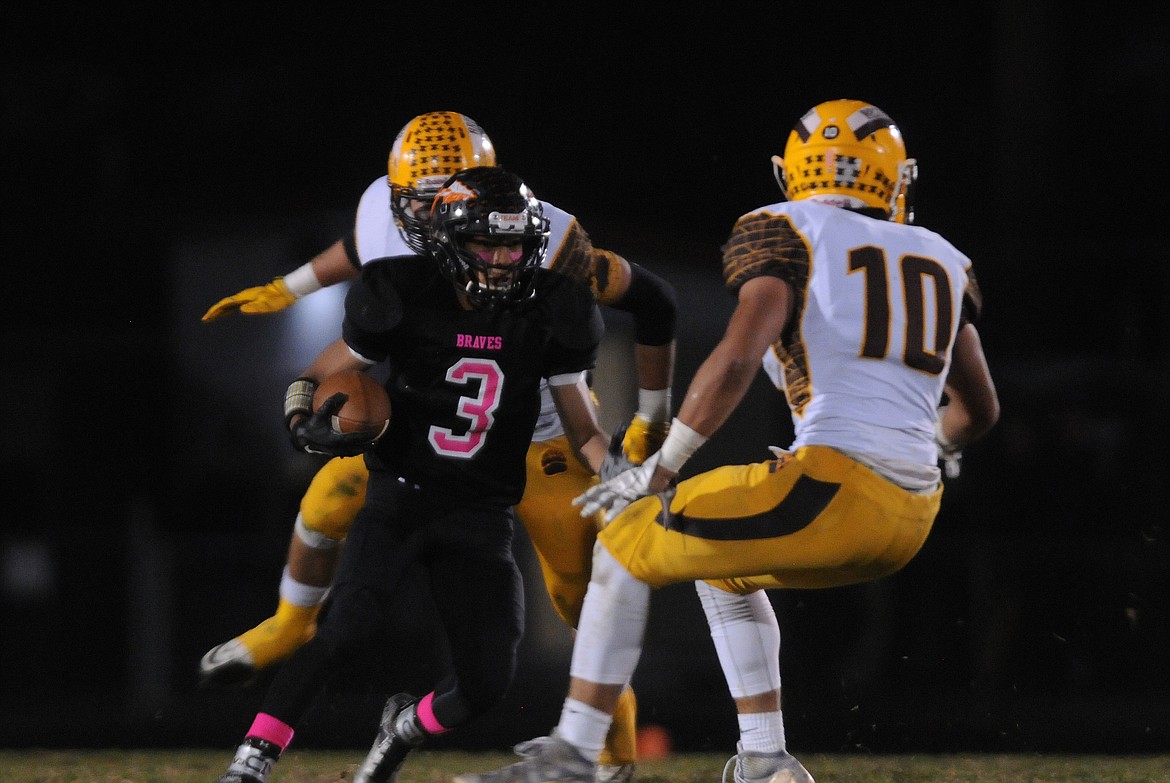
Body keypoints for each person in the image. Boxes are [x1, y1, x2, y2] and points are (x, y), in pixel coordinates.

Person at [452, 99, 1000, 783]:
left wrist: (665, 464)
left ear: (791, 173)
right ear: (891, 176)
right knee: (721, 564)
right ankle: (765, 760)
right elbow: (978, 409)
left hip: (834, 488)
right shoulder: (945, 258)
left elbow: (739, 356)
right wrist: (936, 446)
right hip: (911, 513)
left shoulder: (784, 230)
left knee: (623, 541)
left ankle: (574, 756)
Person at [200, 111, 676, 782]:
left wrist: (636, 461)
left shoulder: (553, 293)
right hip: (405, 485)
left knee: (523, 645)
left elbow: (591, 415)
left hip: (499, 488)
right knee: (345, 604)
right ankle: (255, 749)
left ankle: (586, 743)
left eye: (515, 246)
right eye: (488, 244)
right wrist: (298, 394)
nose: (506, 259)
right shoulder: (398, 282)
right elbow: (329, 341)